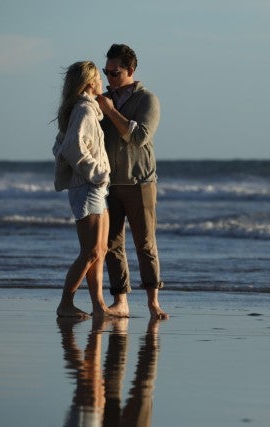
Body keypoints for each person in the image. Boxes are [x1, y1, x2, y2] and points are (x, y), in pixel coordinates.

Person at [96, 43, 168, 319]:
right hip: (109, 183)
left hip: (140, 182)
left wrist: (111, 111)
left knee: (145, 242)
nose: (109, 78)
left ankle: (153, 301)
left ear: (130, 70)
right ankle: (121, 301)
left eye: (114, 73)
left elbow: (139, 137)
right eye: (106, 72)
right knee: (112, 244)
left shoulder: (148, 100)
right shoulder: (103, 100)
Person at [53, 60, 112, 318]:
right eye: (99, 78)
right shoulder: (85, 111)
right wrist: (96, 173)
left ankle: (98, 306)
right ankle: (65, 303)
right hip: (88, 187)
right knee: (90, 251)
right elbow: (68, 148)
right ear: (90, 83)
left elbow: (60, 145)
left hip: (93, 187)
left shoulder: (83, 110)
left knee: (100, 250)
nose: (102, 82)